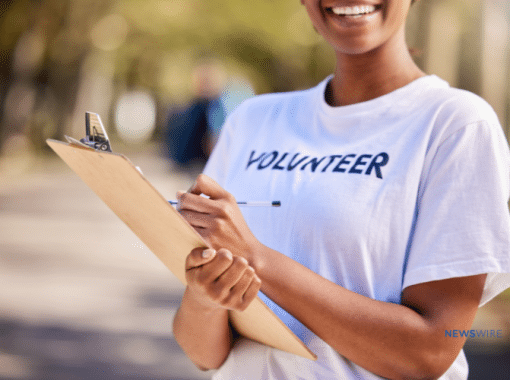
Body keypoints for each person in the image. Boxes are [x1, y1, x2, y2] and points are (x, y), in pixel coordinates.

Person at [172, 0, 510, 379]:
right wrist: (206, 298)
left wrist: (256, 259)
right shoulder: (251, 120)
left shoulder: (456, 124)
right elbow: (203, 354)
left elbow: (429, 353)